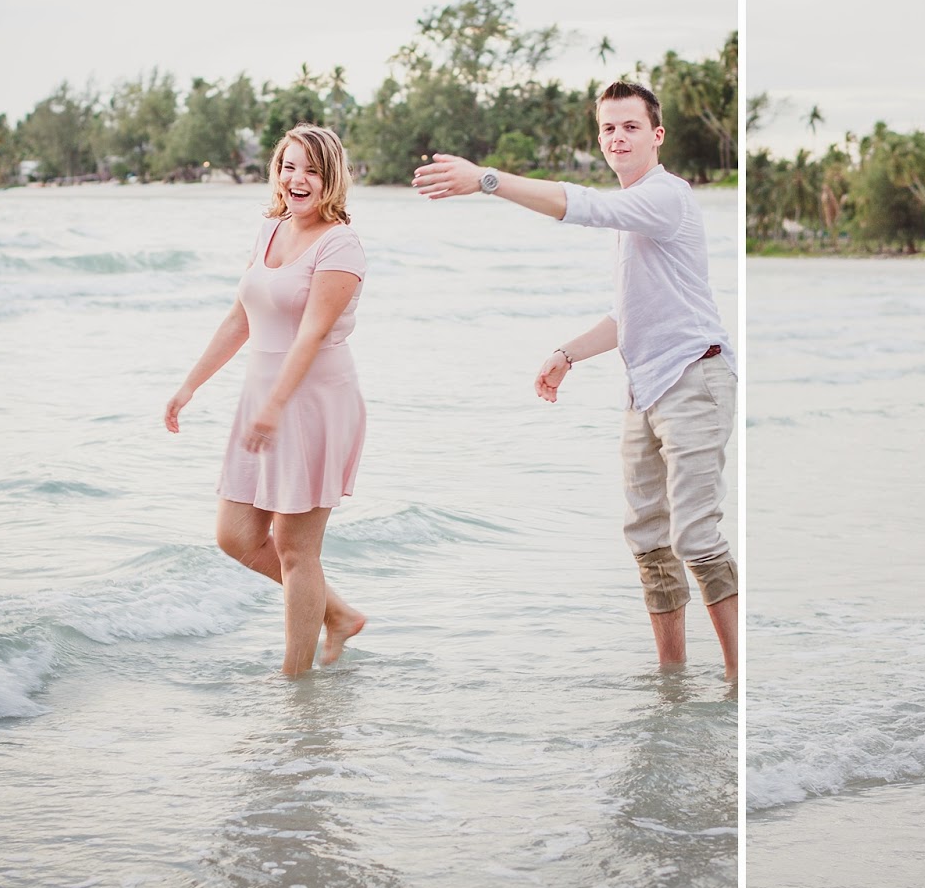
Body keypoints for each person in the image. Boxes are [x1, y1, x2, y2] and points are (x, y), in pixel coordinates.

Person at [411, 81, 739, 679]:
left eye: (631, 126)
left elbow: (582, 205)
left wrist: (488, 180)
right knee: (647, 538)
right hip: (646, 389)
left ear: (656, 135)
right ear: (600, 137)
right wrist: (568, 353)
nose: (619, 136)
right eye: (609, 128)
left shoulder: (666, 197)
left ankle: (740, 681)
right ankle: (672, 682)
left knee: (695, 535)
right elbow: (630, 315)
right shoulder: (634, 212)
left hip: (695, 379)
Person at [164, 125, 368, 677]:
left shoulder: (340, 245)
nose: (297, 180)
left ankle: (295, 687)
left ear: (331, 179)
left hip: (312, 404)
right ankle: (339, 614)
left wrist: (276, 406)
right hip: (263, 399)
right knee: (234, 537)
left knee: (297, 550)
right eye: (288, 166)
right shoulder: (271, 230)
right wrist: (190, 385)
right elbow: (241, 317)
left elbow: (309, 334)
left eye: (312, 170)